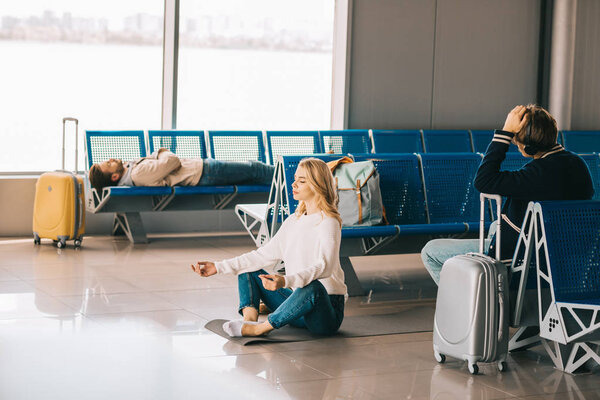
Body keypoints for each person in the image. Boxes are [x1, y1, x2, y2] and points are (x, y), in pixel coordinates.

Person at [421, 104, 594, 284]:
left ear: (529, 147)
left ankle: (464, 306)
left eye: (515, 140)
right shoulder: (578, 165)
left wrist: (504, 133)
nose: (514, 144)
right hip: (567, 252)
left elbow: (483, 180)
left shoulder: (537, 174)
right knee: (496, 225)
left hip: (528, 255)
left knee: (430, 251)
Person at [191, 157, 347, 337]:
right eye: (295, 179)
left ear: (318, 185)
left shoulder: (328, 221)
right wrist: (217, 267)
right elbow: (262, 255)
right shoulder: (293, 220)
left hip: (324, 312)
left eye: (302, 181)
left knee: (312, 287)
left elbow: (325, 267)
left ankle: (260, 328)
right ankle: (249, 321)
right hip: (296, 306)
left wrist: (285, 281)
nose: (294, 184)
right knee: (248, 270)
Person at [88, 148, 275, 193]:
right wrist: (161, 151)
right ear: (114, 176)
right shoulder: (138, 174)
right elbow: (172, 161)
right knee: (256, 170)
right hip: (204, 172)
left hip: (203, 171)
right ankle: (296, 177)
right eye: (109, 164)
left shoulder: (132, 170)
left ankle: (293, 178)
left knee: (255, 172)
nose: (111, 159)